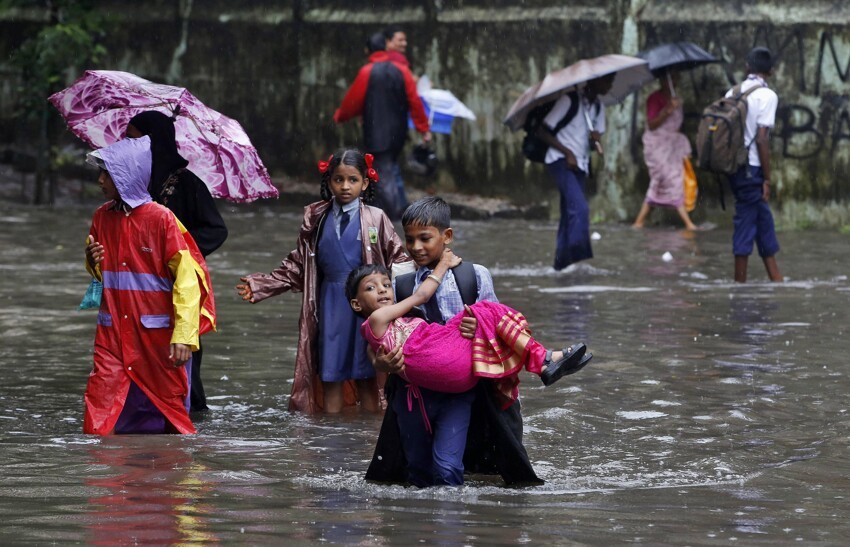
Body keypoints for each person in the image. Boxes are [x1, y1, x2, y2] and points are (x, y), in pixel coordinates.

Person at [367, 197, 544, 487]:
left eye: (425, 238)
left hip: (466, 386)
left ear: (447, 236)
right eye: (409, 239)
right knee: (415, 471)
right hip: (420, 390)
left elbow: (503, 324)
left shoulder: (474, 276)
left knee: (468, 464)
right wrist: (379, 362)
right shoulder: (401, 284)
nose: (416, 247)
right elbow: (380, 334)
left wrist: (481, 327)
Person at [235, 148, 411, 414]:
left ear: (365, 183)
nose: (344, 186)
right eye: (338, 179)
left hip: (368, 308)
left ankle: (369, 438)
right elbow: (297, 264)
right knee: (331, 375)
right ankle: (329, 440)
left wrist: (416, 293)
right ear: (328, 182)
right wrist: (261, 285)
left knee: (369, 377)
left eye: (352, 180)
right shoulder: (315, 219)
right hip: (329, 306)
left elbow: (399, 261)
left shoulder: (377, 218)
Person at [82, 136, 216, 435]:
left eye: (107, 173)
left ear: (125, 176)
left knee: (167, 410)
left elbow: (187, 281)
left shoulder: (161, 219)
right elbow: (101, 276)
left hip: (156, 337)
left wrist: (183, 335)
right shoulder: (101, 217)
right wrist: (91, 260)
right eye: (100, 173)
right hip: (112, 333)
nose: (100, 180)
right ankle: (104, 477)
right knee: (101, 409)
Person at [347, 257, 591, 399]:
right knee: (486, 310)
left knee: (485, 317)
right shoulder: (378, 319)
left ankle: (543, 360)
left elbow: (373, 350)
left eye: (386, 285)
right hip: (441, 360)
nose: (381, 290)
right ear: (356, 304)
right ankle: (543, 359)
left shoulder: (379, 331)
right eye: (371, 288)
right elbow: (421, 295)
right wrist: (443, 264)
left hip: (443, 365)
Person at [126, 110, 228, 412]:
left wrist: (175, 250)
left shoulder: (187, 184)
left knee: (184, 354)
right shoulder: (133, 183)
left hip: (178, 281)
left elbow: (216, 229)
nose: (128, 145)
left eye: (134, 139)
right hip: (141, 284)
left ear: (152, 141)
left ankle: (191, 414)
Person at [334, 35, 431, 221]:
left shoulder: (367, 71)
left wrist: (340, 116)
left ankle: (394, 216)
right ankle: (391, 209)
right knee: (389, 169)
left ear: (367, 51)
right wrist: (423, 127)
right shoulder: (402, 71)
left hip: (376, 132)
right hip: (398, 132)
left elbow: (352, 102)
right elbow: (414, 101)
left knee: (384, 174)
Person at [535, 74, 614, 271]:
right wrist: (567, 152)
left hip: (581, 164)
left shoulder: (597, 108)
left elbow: (591, 140)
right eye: (606, 80)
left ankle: (560, 265)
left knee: (568, 212)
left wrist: (594, 140)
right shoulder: (568, 100)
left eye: (611, 81)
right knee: (580, 209)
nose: (609, 85)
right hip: (560, 160)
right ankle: (577, 259)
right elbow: (542, 131)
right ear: (594, 81)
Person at [726, 47, 782, 283]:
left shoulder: (733, 92)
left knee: (763, 222)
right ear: (770, 70)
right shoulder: (767, 96)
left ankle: (777, 280)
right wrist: (767, 178)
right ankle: (739, 285)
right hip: (752, 169)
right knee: (746, 224)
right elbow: (761, 138)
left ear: (747, 67)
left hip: (734, 167)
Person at [631, 70, 699, 231]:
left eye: (676, 77)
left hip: (672, 147)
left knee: (674, 179)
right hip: (657, 146)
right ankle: (688, 224)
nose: (674, 81)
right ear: (663, 81)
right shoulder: (655, 99)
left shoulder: (677, 99)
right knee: (662, 179)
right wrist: (667, 110)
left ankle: (639, 222)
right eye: (671, 78)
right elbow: (652, 124)